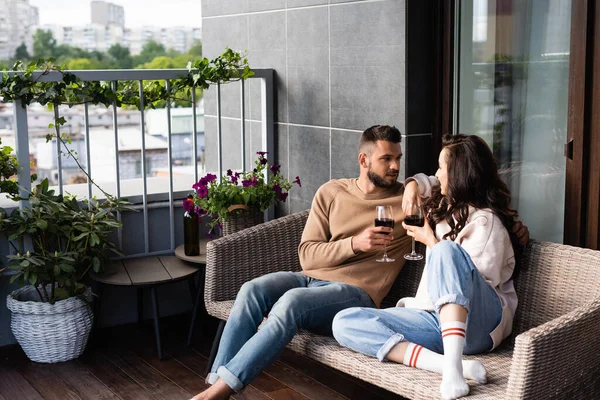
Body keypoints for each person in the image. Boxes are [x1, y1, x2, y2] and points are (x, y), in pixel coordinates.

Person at [191, 128, 529, 400]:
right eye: (387, 159)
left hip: (362, 292)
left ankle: (223, 390)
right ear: (363, 159)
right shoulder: (331, 191)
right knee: (255, 290)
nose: (396, 167)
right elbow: (306, 255)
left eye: (399, 159)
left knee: (293, 304)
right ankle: (214, 381)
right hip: (316, 279)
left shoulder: (410, 203)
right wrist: (355, 243)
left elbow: (468, 264)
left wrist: (414, 192)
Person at [332, 134, 522, 400]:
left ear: (458, 173)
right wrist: (411, 185)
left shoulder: (486, 222)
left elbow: (470, 285)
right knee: (344, 322)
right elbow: (427, 181)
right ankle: (450, 366)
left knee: (445, 249)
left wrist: (431, 241)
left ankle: (453, 373)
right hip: (436, 319)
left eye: (442, 167)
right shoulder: (449, 206)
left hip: (479, 324)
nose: (436, 174)